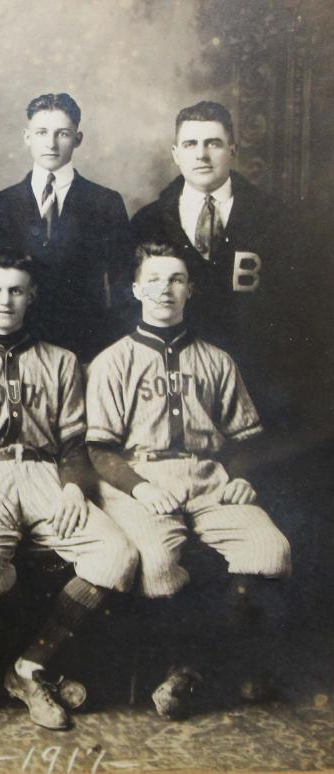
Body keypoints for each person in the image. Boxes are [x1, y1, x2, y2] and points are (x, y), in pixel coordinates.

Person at [0, 250, 137, 730]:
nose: (5, 300)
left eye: (16, 290)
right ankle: (23, 664)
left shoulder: (61, 361)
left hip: (47, 477)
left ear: (32, 296)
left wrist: (73, 490)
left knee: (117, 554)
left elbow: (73, 445)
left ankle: (30, 665)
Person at [86, 241, 291, 719]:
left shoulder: (217, 360)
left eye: (176, 279)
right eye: (154, 279)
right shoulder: (113, 360)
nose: (165, 289)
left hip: (209, 477)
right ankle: (177, 666)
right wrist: (139, 487)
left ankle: (200, 667)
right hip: (139, 477)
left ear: (190, 289)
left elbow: (246, 437)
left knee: (271, 549)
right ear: (136, 289)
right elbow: (99, 449)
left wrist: (241, 477)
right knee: (157, 562)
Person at [129, 100, 288, 419]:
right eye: (190, 144)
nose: (201, 155)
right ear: (175, 153)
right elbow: (130, 306)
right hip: (169, 379)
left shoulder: (276, 218)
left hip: (256, 380)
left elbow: (293, 309)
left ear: (233, 149)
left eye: (213, 143)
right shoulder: (148, 221)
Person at [0, 93, 132, 362]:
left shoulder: (106, 203)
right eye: (41, 132)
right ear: (27, 137)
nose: (51, 143)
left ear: (78, 139)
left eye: (62, 133)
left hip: (87, 344)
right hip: (14, 345)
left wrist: (112, 351)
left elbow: (123, 285)